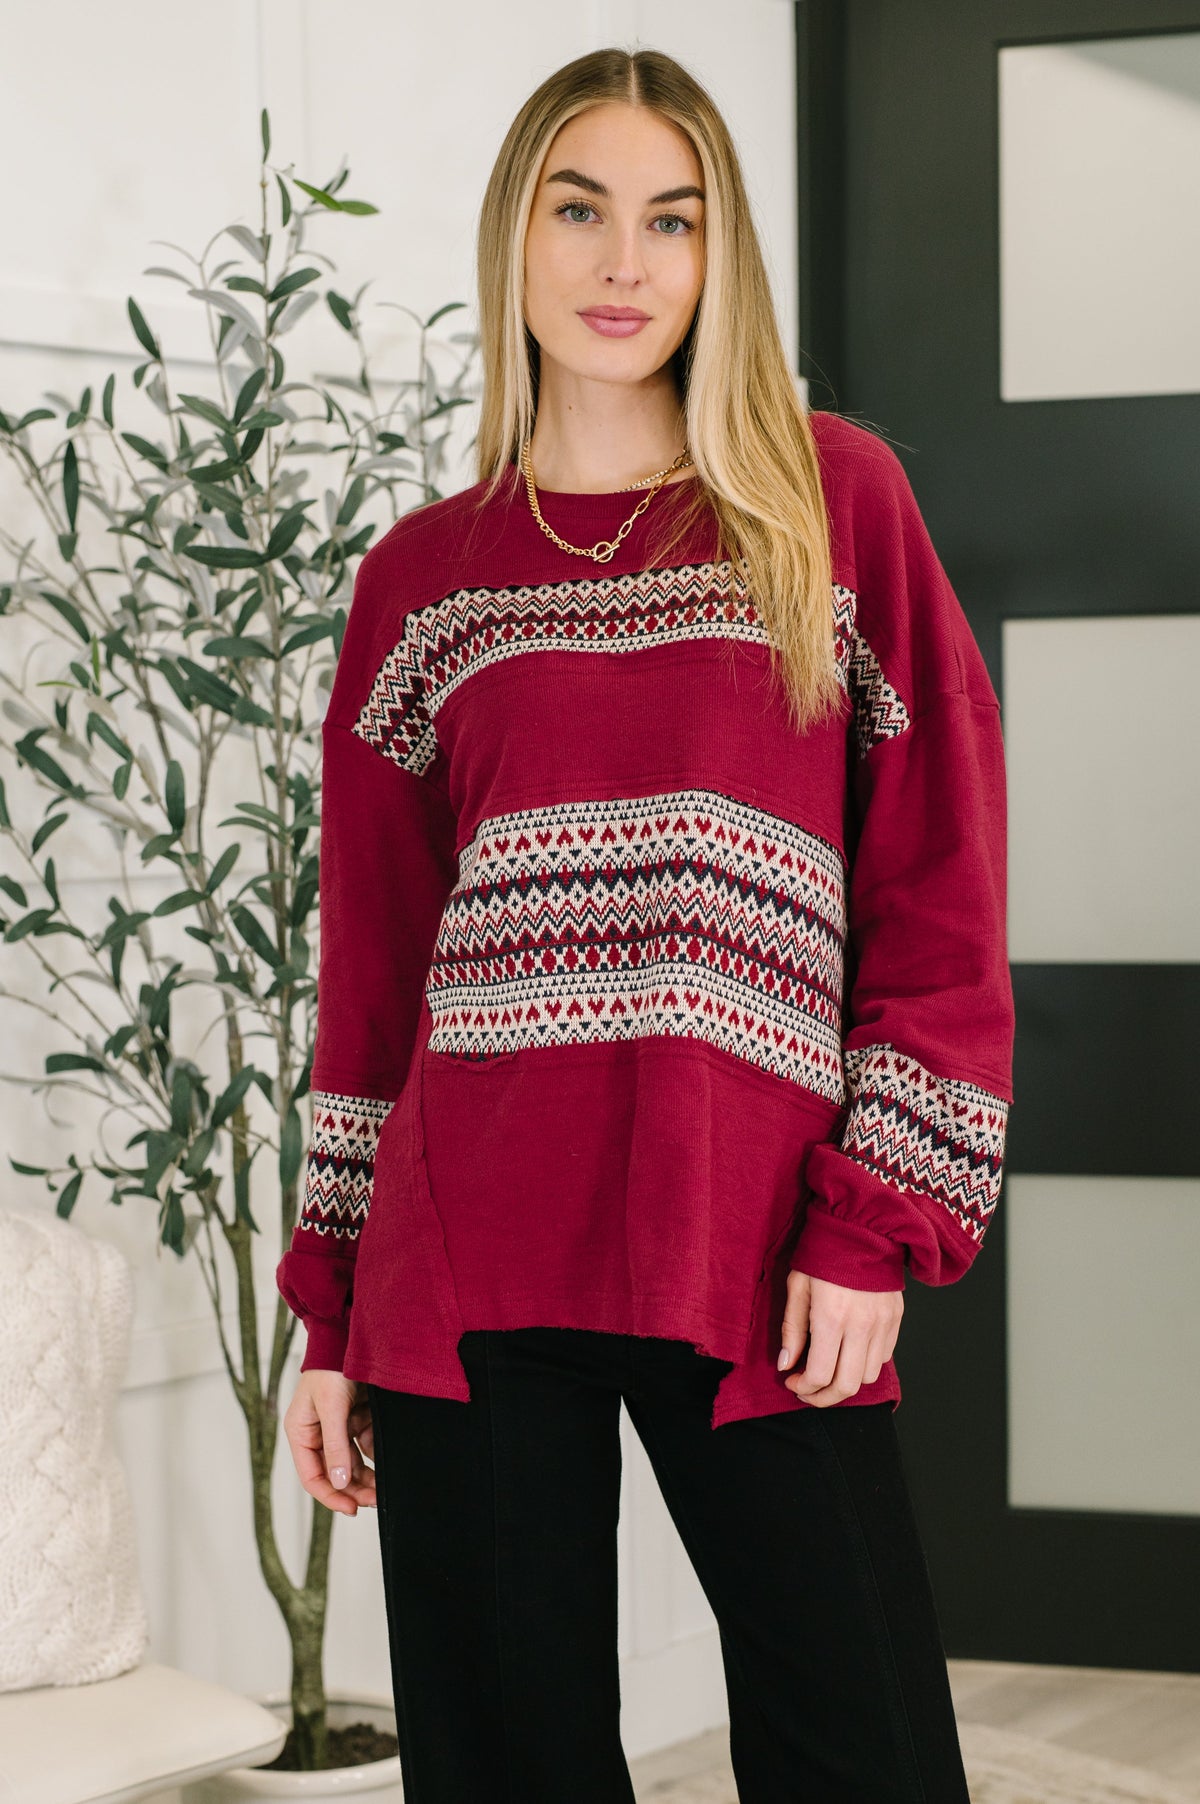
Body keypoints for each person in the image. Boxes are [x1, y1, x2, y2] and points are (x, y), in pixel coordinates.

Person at [277, 44, 1014, 1804]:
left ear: (719, 255)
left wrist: (872, 1224)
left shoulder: (829, 506)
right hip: (465, 1253)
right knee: (504, 1760)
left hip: (755, 1231)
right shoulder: (424, 575)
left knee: (867, 1748)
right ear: (514, 239)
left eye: (671, 220)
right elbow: (371, 976)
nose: (625, 264)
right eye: (580, 209)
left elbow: (939, 886)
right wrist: (329, 1308)